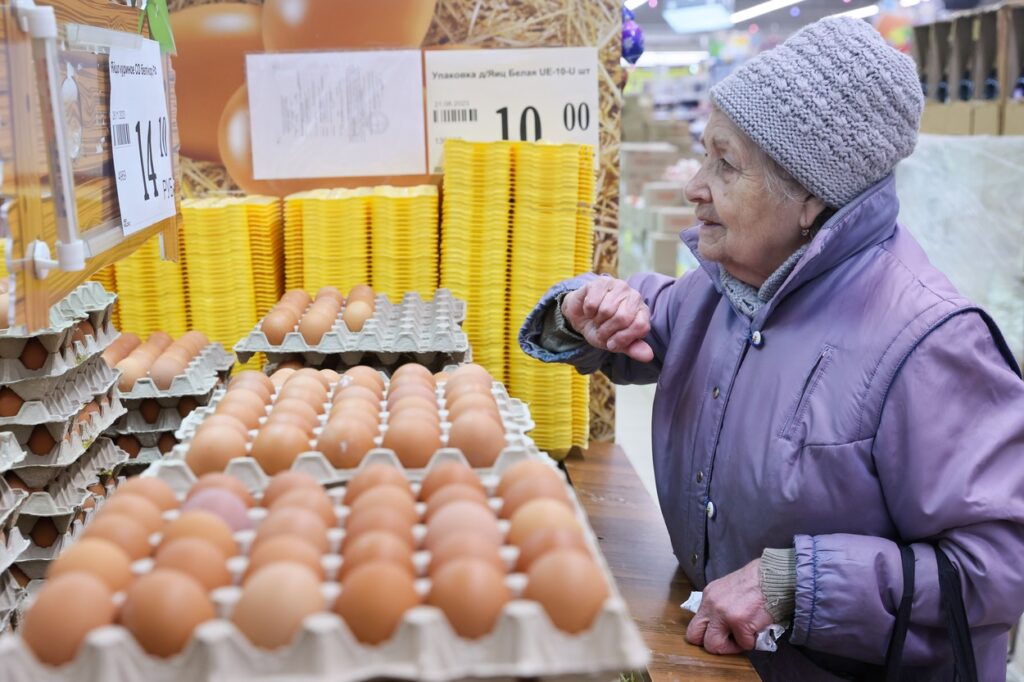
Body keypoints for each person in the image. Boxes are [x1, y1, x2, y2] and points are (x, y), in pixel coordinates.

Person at [519, 16, 1024, 681]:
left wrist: (794, 584)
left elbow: (999, 563)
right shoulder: (728, 289)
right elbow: (639, 321)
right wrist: (583, 309)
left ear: (812, 197)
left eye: (725, 164)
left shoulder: (928, 344)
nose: (694, 186)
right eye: (704, 155)